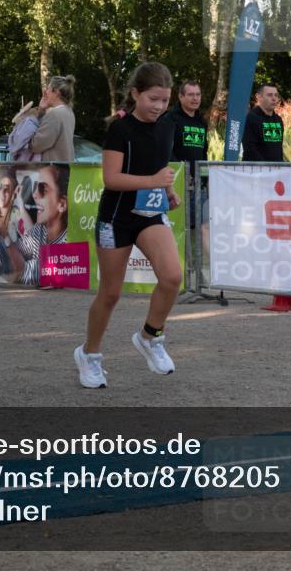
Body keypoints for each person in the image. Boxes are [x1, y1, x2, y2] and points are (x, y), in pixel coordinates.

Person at [74, 62, 183, 389]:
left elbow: (160, 166)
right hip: (116, 219)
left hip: (150, 216)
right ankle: (89, 355)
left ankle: (150, 336)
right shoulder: (120, 131)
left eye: (165, 100)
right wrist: (152, 180)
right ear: (135, 93)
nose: (159, 106)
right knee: (110, 294)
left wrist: (168, 190)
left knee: (173, 276)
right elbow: (111, 178)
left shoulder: (167, 126)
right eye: (153, 99)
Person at [13, 163, 70, 286]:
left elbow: (17, 271)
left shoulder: (68, 243)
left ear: (62, 205)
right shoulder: (41, 229)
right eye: (36, 188)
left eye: (43, 189)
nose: (34, 195)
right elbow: (19, 248)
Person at [163, 80, 208, 230]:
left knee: (199, 226)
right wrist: (182, 172)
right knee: (182, 227)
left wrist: (205, 176)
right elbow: (166, 150)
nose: (195, 98)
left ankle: (195, 254)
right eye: (190, 95)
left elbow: (204, 151)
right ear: (181, 97)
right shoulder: (170, 118)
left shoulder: (201, 121)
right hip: (177, 182)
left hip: (198, 183)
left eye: (198, 95)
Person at [30, 75, 76, 162]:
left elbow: (36, 145)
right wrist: (42, 109)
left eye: (48, 88)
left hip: (52, 171)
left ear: (57, 93)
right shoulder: (69, 112)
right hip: (64, 168)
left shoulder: (54, 114)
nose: (45, 92)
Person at [242, 83, 284, 162]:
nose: (274, 98)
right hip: (255, 170)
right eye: (269, 95)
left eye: (276, 95)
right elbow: (250, 149)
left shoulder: (278, 120)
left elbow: (279, 148)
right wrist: (266, 168)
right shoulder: (250, 118)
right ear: (258, 97)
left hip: (276, 171)